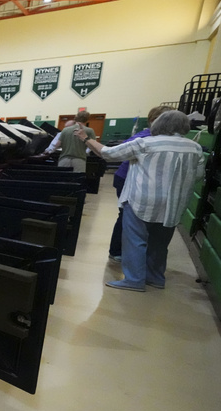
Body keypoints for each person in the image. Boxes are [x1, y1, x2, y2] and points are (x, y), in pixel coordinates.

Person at [75, 110, 204, 292]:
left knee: (135, 239)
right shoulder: (195, 147)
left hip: (142, 199)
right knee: (160, 243)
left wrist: (85, 138)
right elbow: (198, 175)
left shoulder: (145, 143)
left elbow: (108, 153)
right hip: (174, 203)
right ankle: (156, 277)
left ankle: (134, 280)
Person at [107, 105, 174, 261]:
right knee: (126, 214)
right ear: (153, 121)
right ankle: (116, 251)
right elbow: (117, 152)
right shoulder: (144, 137)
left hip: (138, 180)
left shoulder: (160, 138)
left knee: (132, 217)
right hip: (126, 178)